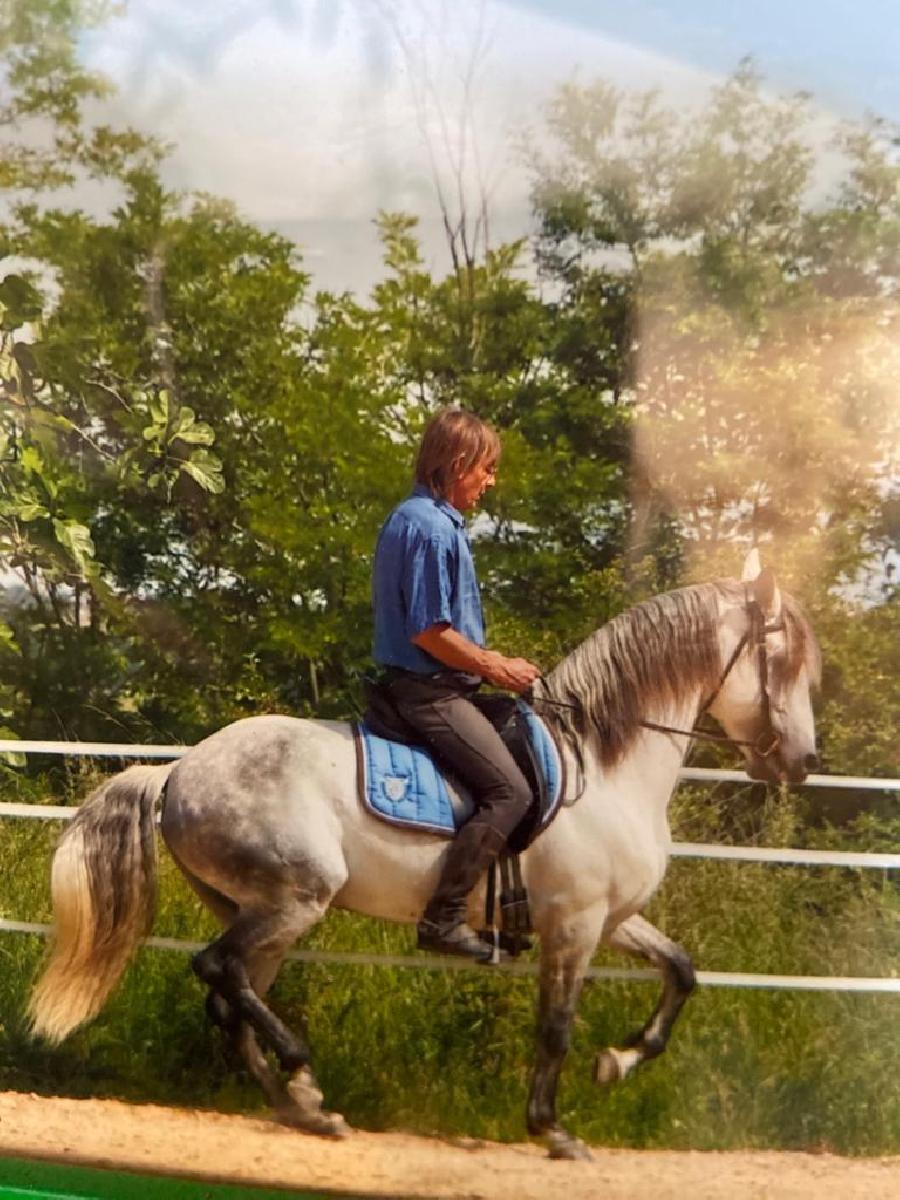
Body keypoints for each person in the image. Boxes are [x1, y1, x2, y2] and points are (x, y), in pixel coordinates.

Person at [372, 407, 541, 962]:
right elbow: (429, 632)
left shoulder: (430, 519)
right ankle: (443, 918)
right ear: (459, 462)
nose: (491, 482)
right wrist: (500, 668)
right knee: (510, 791)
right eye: (487, 470)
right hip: (431, 692)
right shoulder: (425, 526)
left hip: (447, 687)